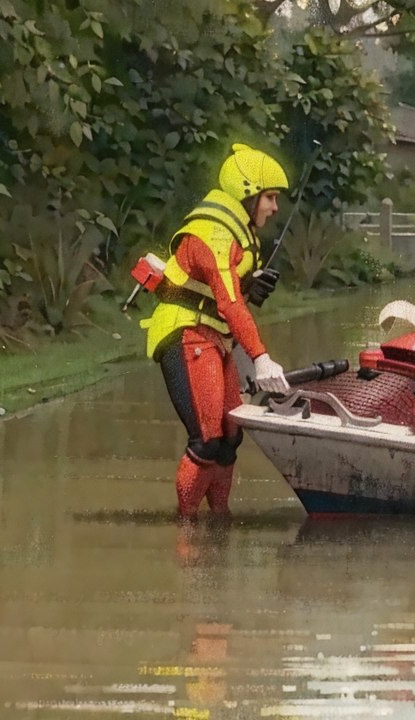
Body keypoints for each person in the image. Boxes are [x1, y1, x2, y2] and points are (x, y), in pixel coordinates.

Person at [140, 143, 292, 519]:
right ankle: (187, 532)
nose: (275, 207)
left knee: (229, 436)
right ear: (247, 192)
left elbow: (227, 294)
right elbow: (228, 304)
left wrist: (249, 286)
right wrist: (261, 358)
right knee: (207, 439)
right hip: (186, 332)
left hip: (213, 337)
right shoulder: (214, 234)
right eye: (270, 197)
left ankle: (220, 522)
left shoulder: (235, 232)